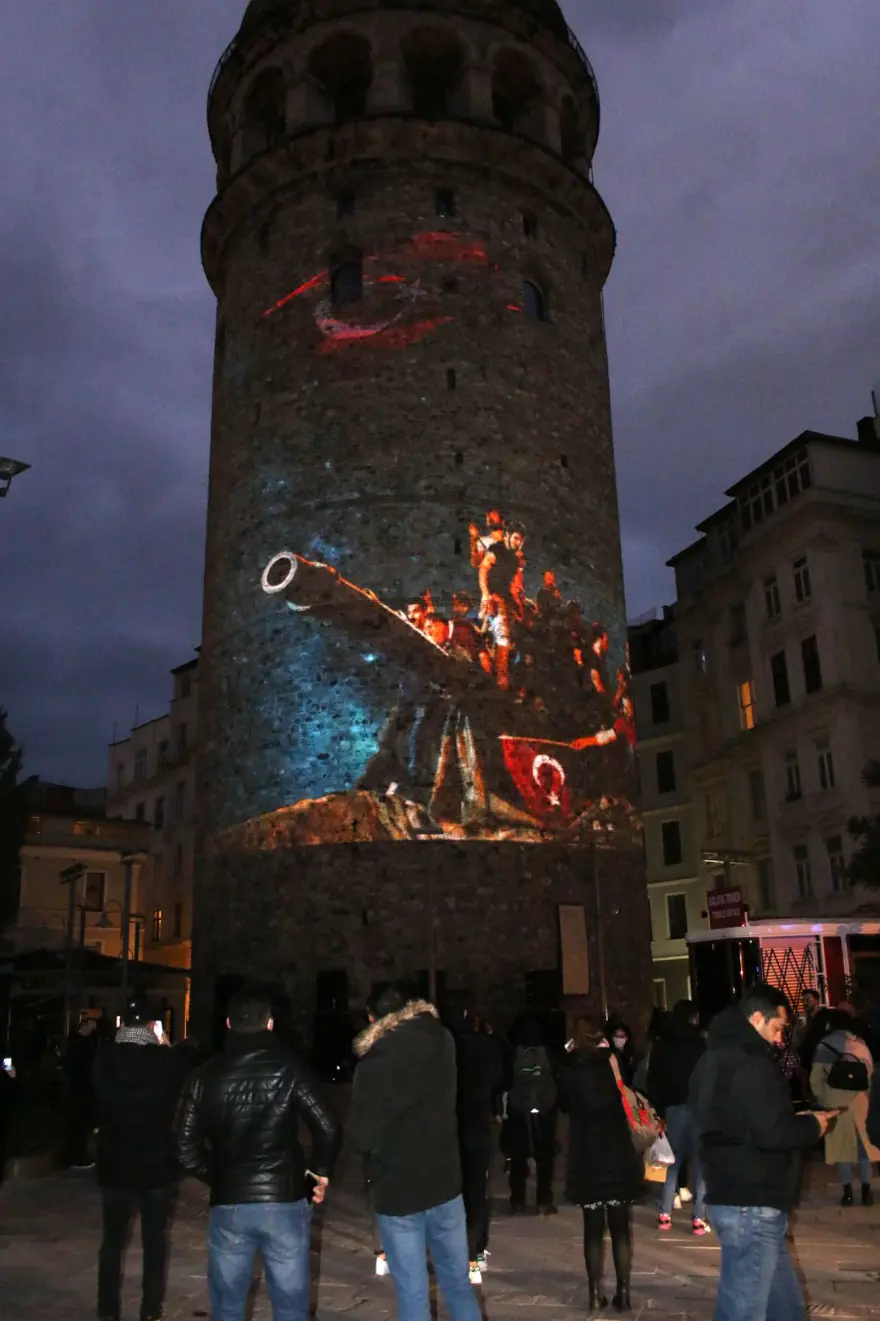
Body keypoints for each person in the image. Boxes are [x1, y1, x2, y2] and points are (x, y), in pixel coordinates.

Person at [176, 986, 341, 1321]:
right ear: (270, 1024)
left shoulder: (203, 1076)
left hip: (230, 1203)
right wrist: (316, 1174)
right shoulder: (289, 1067)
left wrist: (220, 1176)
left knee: (227, 1305)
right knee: (291, 1306)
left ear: (227, 1023)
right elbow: (328, 1127)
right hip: (285, 1198)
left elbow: (183, 1148)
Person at [690, 984, 836, 1321]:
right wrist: (812, 1126)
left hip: (732, 1191)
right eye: (778, 1028)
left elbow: (731, 1119)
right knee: (743, 1309)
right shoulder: (750, 1062)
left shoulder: (712, 1057)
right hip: (752, 1200)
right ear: (757, 1019)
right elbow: (772, 1132)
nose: (780, 1039)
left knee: (784, 1307)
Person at [347, 983, 480, 1321]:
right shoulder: (443, 1040)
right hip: (445, 1180)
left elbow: (360, 1135)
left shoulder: (374, 1063)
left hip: (398, 1190)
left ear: (372, 1018)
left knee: (412, 1295)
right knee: (458, 1285)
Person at [94, 1000, 191, 1321]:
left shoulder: (104, 1059)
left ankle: (107, 1311)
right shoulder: (167, 1061)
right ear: (153, 1027)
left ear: (123, 1026)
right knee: (154, 1242)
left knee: (112, 1243)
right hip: (156, 1166)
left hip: (116, 1163)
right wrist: (166, 1047)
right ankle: (150, 1311)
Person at [559, 1016, 642, 1313]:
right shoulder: (613, 1061)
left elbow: (565, 1104)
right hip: (616, 1150)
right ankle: (624, 1294)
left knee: (592, 1229)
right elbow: (627, 1092)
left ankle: (595, 1295)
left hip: (588, 1155)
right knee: (620, 1228)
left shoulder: (570, 1066)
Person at [647, 999, 709, 1235]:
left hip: (673, 1108)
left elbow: (654, 1078)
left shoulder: (663, 1043)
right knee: (701, 1165)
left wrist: (659, 1108)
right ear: (693, 1017)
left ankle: (665, 1214)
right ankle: (698, 1218)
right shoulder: (701, 1044)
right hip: (699, 1109)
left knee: (671, 1162)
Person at [810, 1008, 879, 1206]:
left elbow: (816, 1077)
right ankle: (866, 1190)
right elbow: (870, 1073)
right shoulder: (860, 1044)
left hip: (836, 1103)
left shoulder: (824, 1046)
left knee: (841, 1150)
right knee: (864, 1149)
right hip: (860, 1102)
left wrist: (822, 1099)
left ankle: (847, 1191)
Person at [455, 1012, 504, 1281]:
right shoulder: (487, 1046)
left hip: (454, 1126)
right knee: (477, 1190)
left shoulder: (447, 1046)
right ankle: (476, 1252)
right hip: (478, 1122)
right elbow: (498, 1079)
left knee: (455, 1192)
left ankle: (460, 1250)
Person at [505, 1015, 558, 1215]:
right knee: (545, 1155)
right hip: (545, 1110)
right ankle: (543, 1199)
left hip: (519, 1109)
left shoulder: (513, 1054)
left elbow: (506, 1080)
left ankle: (517, 1199)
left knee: (518, 1155)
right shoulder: (548, 1054)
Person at [66, 1015, 99, 1169]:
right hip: (81, 1087)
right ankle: (78, 1157)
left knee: (80, 1123)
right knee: (79, 1123)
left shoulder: (82, 1042)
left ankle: (78, 1155)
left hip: (81, 1087)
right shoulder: (80, 1044)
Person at [606, 1017, 636, 1088]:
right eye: (616, 1036)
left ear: (626, 1038)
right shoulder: (610, 1055)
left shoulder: (632, 1053)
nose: (619, 1038)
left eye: (621, 1036)